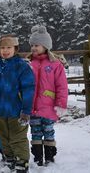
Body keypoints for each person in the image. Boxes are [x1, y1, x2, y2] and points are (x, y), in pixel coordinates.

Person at [0, 35, 35, 173]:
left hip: (17, 110)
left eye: (9, 48)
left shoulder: (22, 66)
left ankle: (22, 162)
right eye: (2, 48)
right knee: (4, 137)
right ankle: (10, 159)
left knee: (17, 138)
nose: (5, 51)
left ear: (15, 49)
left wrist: (26, 110)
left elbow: (28, 89)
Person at [27, 25, 68, 166]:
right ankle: (38, 157)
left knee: (48, 131)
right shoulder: (28, 63)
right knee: (35, 132)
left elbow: (62, 86)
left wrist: (61, 104)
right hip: (32, 107)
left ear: (45, 46)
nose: (33, 48)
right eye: (32, 45)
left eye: (37, 45)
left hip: (49, 107)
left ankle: (49, 157)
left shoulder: (55, 65)